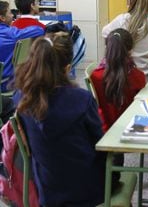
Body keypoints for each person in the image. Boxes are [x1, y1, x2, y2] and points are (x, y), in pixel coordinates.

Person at [13, 32, 107, 206]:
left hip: (47, 192)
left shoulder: (21, 99)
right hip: (88, 191)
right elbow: (100, 145)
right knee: (114, 156)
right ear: (68, 68)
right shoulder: (82, 99)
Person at [90, 28, 146, 132]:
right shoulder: (138, 76)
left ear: (107, 48)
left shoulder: (94, 77)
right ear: (131, 50)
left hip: (104, 133)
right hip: (132, 131)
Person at [0, 1, 44, 92]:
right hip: (6, 83)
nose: (13, 15)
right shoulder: (10, 34)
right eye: (10, 13)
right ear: (2, 18)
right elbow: (38, 30)